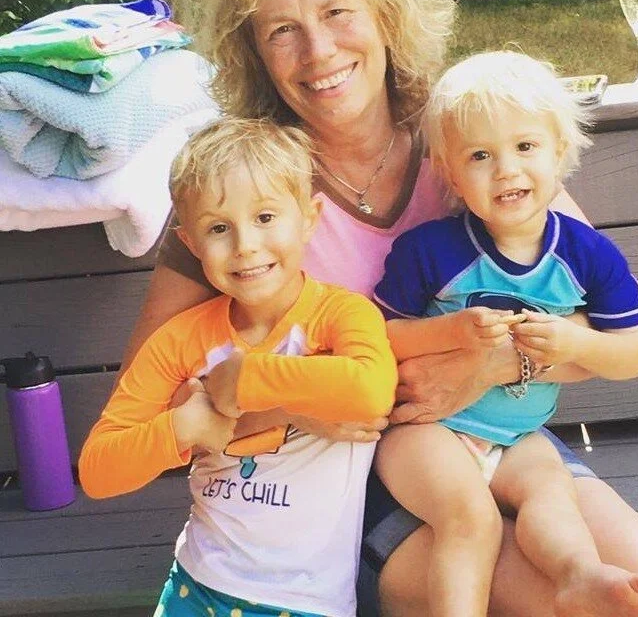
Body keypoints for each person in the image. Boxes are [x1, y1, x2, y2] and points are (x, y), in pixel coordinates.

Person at [118, 0, 638, 617]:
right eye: (281, 29)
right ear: (253, 52)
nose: (318, 51)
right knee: (548, 602)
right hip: (339, 480)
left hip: (497, 431)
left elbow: (627, 321)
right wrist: (304, 408)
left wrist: (492, 361)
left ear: (385, 14)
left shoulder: (463, 145)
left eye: (336, 12)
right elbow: (148, 408)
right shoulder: (244, 188)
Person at [372, 50, 638, 617]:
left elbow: (634, 352)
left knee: (551, 493)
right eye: (480, 155)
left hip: (517, 436)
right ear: (451, 176)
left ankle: (578, 577)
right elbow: (381, 338)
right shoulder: (430, 251)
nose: (506, 169)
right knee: (469, 519)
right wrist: (451, 330)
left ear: (561, 152)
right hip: (430, 429)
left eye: (525, 147)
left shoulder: (587, 256)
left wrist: (579, 343)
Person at [79, 116, 398, 617]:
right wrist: (182, 426)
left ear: (309, 218)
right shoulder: (180, 339)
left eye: (266, 217)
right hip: (198, 585)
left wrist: (246, 380)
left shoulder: (342, 314)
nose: (245, 244)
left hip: (308, 601)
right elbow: (98, 471)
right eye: (219, 228)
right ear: (190, 244)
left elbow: (370, 392)